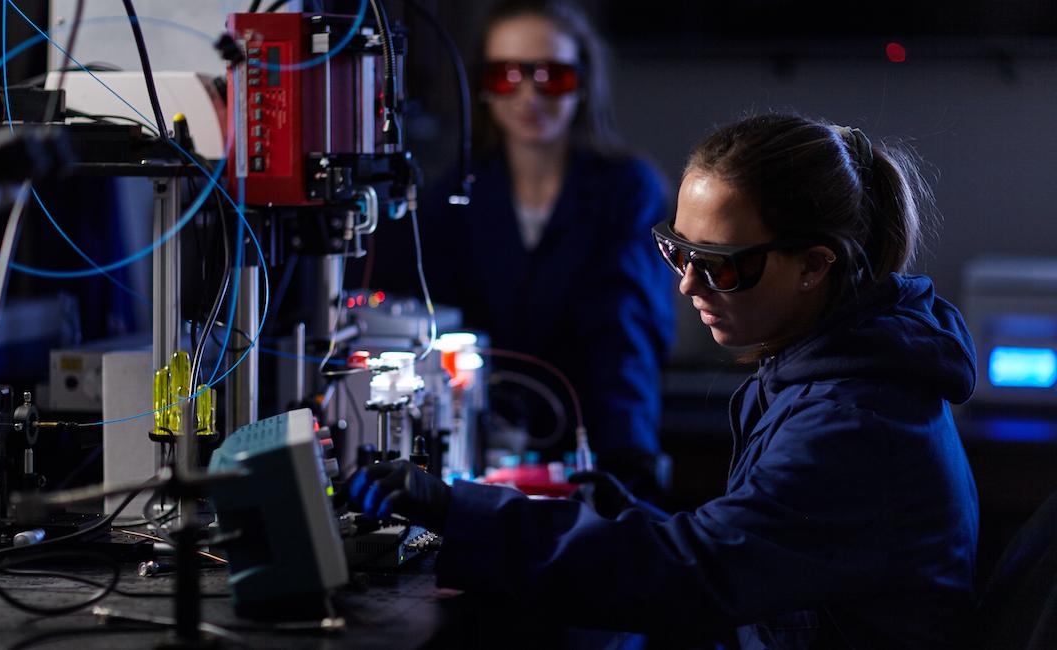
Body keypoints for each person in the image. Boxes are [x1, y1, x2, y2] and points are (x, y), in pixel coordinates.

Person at [347, 113, 980, 648]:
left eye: (722, 267)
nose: (687, 286)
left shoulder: (854, 423)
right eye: (677, 251)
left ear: (815, 265)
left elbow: (693, 576)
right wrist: (616, 508)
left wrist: (462, 513)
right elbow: (747, 555)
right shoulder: (828, 370)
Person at [366, 0, 675, 491]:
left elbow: (625, 326)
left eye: (552, 76)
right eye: (507, 76)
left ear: (584, 84)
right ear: (484, 87)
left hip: (600, 445)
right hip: (488, 444)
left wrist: (628, 459)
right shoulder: (455, 196)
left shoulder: (626, 188)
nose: (529, 94)